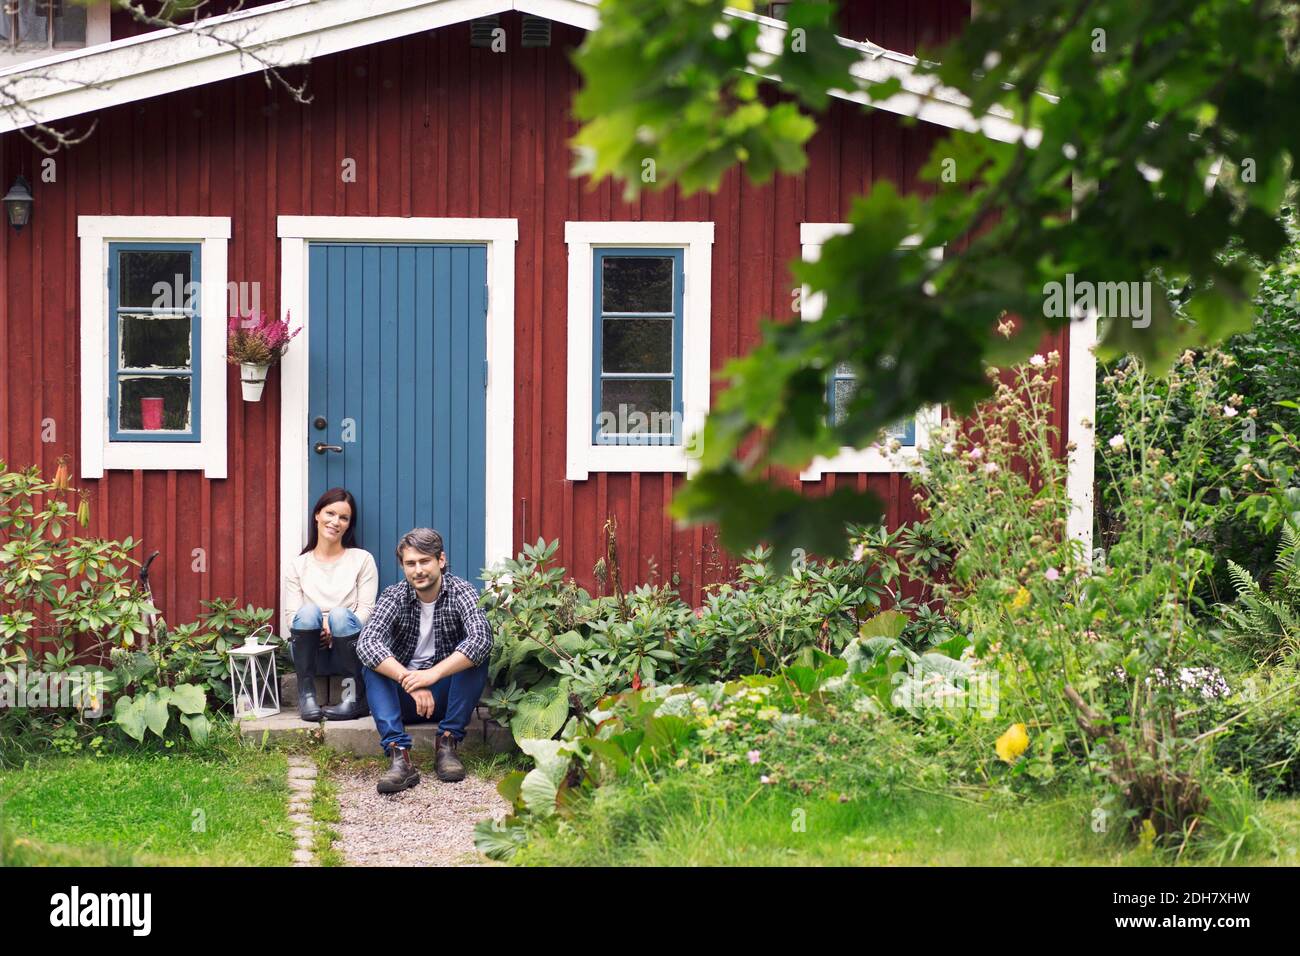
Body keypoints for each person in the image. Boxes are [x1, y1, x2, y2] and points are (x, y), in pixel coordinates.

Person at [357, 528, 492, 793]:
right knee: (371, 666)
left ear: (440, 560)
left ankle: (447, 743)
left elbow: (481, 638)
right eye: (410, 563)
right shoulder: (394, 596)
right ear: (403, 567)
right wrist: (411, 681)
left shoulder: (462, 592)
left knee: (477, 656)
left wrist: (432, 675)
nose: (418, 570)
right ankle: (400, 757)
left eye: (424, 561)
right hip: (406, 698)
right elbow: (367, 643)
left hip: (445, 695)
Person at [282, 488, 379, 722]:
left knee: (340, 616)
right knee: (306, 613)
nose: (335, 522)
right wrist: (319, 629)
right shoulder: (298, 566)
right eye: (330, 513)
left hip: (348, 650)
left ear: (348, 525)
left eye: (343, 518)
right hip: (310, 651)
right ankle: (307, 696)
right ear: (317, 515)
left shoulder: (362, 559)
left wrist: (334, 626)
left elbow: (367, 609)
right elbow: (291, 616)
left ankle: (352, 696)